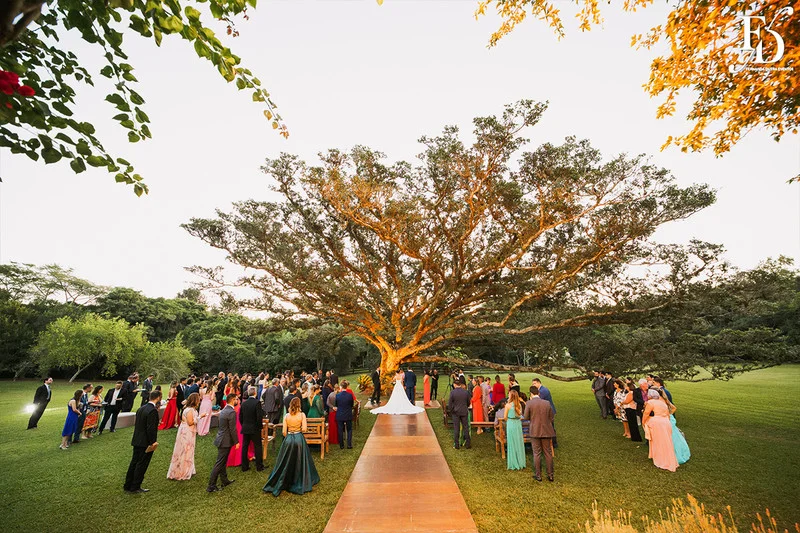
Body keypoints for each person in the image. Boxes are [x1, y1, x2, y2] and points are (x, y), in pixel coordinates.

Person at [263, 397, 321, 496]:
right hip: (298, 438)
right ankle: (300, 479)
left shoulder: (286, 416)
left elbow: (284, 432)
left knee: (285, 461)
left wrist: (290, 433)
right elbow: (304, 429)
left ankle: (284, 479)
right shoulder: (302, 415)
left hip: (289, 439)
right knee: (300, 459)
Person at [123, 389, 162, 493]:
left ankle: (128, 484)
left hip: (137, 439)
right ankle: (135, 486)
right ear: (158, 397)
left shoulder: (141, 408)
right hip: (145, 442)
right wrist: (152, 442)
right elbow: (151, 428)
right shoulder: (152, 410)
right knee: (141, 464)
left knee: (134, 462)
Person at [167, 392, 205, 480]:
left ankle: (188, 469)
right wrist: (200, 417)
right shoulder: (190, 410)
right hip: (187, 432)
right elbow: (190, 422)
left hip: (187, 431)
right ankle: (182, 471)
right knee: (185, 450)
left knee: (187, 450)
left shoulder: (188, 409)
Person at [523, 386, 556, 482]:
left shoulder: (529, 403)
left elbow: (525, 417)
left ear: (531, 394)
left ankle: (538, 475)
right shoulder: (546, 403)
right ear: (539, 393)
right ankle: (550, 475)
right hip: (546, 430)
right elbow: (551, 417)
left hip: (535, 430)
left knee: (536, 453)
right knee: (548, 453)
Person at [208, 393, 239, 492]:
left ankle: (224, 480)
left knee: (223, 462)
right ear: (232, 400)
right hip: (225, 440)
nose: (237, 401)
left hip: (221, 438)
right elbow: (232, 429)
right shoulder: (231, 412)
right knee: (219, 463)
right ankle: (211, 486)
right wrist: (236, 442)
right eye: (236, 399)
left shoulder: (224, 410)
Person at [642, 389, 678, 472]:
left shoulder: (651, 403)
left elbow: (646, 413)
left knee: (658, 441)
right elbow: (668, 415)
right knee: (666, 441)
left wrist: (644, 422)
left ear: (650, 395)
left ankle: (660, 459)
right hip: (666, 422)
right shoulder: (663, 403)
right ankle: (667, 458)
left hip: (657, 423)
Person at [239, 386, 265, 472]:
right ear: (255, 393)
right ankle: (259, 466)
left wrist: (244, 425)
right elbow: (259, 417)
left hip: (246, 427)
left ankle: (244, 466)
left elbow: (240, 417)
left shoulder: (243, 403)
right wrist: (259, 427)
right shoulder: (257, 403)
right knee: (258, 446)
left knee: (245, 447)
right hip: (254, 428)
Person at [503, 390, 526, 470]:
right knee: (518, 442)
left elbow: (505, 417)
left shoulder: (508, 405)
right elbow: (520, 415)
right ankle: (520, 462)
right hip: (518, 424)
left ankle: (513, 462)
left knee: (512, 442)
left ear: (511, 396)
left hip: (511, 424)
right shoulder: (519, 405)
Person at [447, 378, 471, 449]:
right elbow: (468, 402)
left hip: (456, 412)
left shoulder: (452, 392)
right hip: (464, 411)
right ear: (460, 384)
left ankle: (456, 445)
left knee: (456, 428)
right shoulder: (465, 392)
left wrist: (451, 411)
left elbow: (450, 404)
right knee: (466, 428)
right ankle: (468, 444)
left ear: (454, 385)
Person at [335, 380, 357, 449]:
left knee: (340, 429)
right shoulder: (350, 395)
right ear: (346, 387)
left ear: (341, 387)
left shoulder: (338, 396)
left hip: (340, 414)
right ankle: (349, 444)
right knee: (349, 429)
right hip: (348, 414)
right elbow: (351, 404)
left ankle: (341, 445)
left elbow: (336, 405)